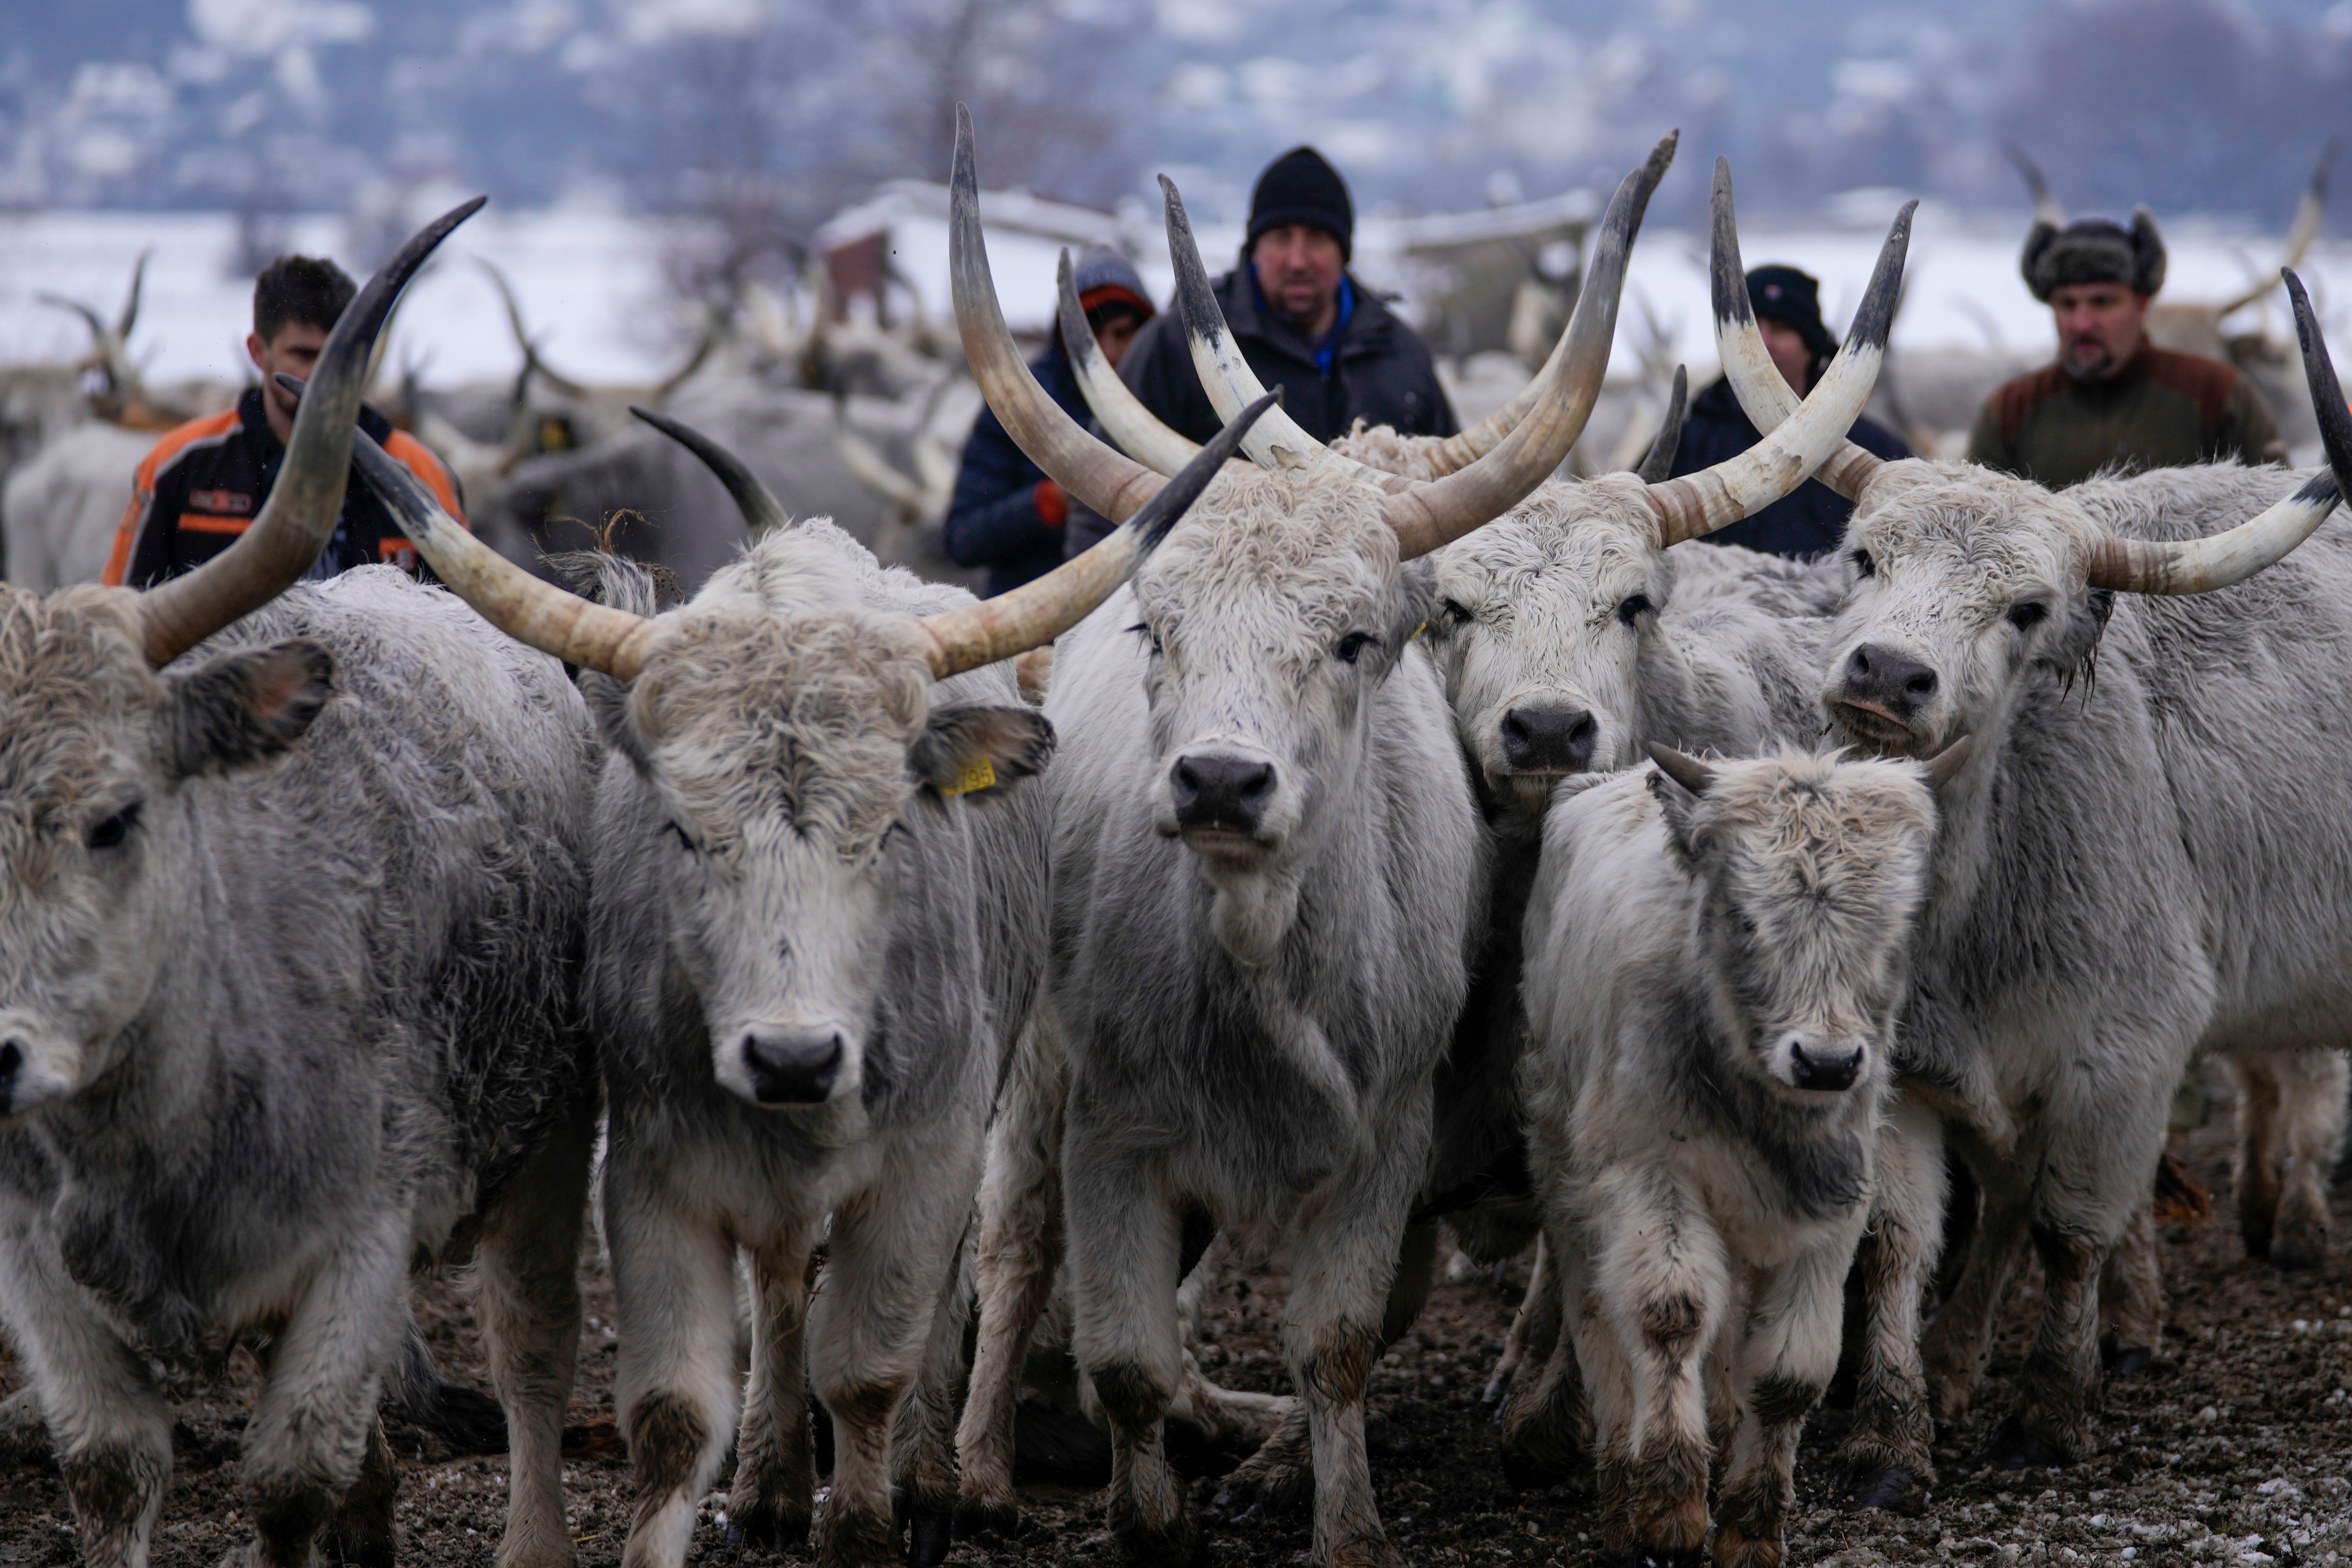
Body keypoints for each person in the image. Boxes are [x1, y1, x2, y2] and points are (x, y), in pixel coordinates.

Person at [105, 254, 463, 589]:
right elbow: (124, 611)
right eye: (304, 355)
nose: (323, 375)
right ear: (258, 352)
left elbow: (463, 620)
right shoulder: (179, 467)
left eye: (340, 355)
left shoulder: (420, 475)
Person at [1118, 145, 1457, 447]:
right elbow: (1115, 477)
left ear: (1344, 252)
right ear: (1254, 249)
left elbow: (1452, 484)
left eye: (1317, 238)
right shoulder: (1181, 345)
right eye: (1280, 238)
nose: (1298, 261)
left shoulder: (1401, 353)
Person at [1966, 209, 2285, 488]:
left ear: (2142, 305)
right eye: (2067, 304)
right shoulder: (2009, 412)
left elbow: (2280, 509)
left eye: (2103, 302)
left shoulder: (2219, 395)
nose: (2082, 324)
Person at [942, 246, 1156, 595]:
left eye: (1122, 333)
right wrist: (1046, 502)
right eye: (1089, 335)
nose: (1109, 352)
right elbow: (961, 539)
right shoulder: (1018, 399)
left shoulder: (1168, 397)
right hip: (1033, 612)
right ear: (1064, 334)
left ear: (1147, 331)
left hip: (1138, 610)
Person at [1669, 264, 1911, 557]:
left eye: (1780, 329)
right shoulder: (1686, 446)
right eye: (1749, 330)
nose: (1763, 343)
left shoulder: (1877, 450)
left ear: (1810, 346)